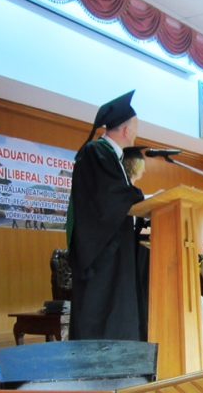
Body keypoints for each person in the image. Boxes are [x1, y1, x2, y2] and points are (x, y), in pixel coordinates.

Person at [66, 90, 145, 340]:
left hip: (113, 246)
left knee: (116, 307)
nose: (135, 133)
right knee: (100, 307)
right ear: (125, 130)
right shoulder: (96, 153)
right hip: (99, 250)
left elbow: (117, 194)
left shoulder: (113, 157)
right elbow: (108, 196)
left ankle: (118, 359)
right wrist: (138, 196)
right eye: (135, 127)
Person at [122, 146, 150, 340]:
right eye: (143, 165)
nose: (145, 170)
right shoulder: (127, 191)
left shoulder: (134, 191)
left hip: (137, 248)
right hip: (129, 250)